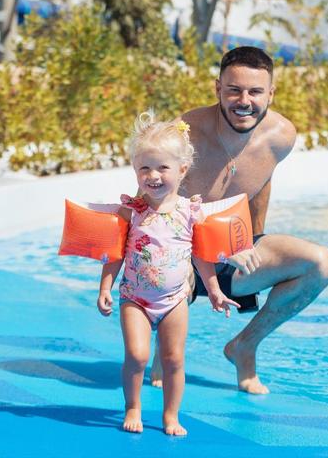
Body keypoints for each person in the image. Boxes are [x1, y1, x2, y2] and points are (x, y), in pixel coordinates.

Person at [151, 46, 328, 395]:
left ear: (271, 93)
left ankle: (245, 345)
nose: (244, 101)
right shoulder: (185, 134)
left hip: (234, 252)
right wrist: (190, 253)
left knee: (320, 264)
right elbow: (150, 205)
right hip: (180, 251)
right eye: (234, 90)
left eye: (255, 91)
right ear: (217, 88)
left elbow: (261, 183)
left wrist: (251, 241)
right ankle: (166, 351)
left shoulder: (281, 136)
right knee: (174, 268)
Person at [97, 112, 239, 436]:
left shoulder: (190, 211)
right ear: (135, 169)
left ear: (182, 169)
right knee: (137, 356)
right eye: (144, 168)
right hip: (135, 297)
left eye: (163, 168)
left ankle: (171, 416)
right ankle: (133, 406)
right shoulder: (132, 210)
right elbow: (115, 252)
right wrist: (105, 287)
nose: (153, 176)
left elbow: (201, 256)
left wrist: (214, 290)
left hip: (175, 299)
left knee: (174, 359)